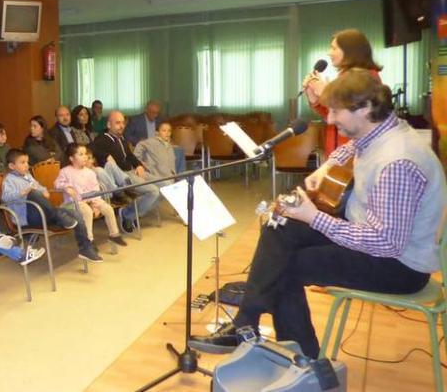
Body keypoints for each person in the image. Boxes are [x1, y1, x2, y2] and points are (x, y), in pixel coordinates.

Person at [190, 69, 447, 358]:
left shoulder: (397, 162)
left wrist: (314, 217)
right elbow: (353, 146)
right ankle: (245, 324)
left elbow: (385, 243)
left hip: (400, 266)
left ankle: (302, 361)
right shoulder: (382, 129)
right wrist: (325, 168)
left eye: (336, 111)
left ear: (364, 108)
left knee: (286, 267)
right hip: (376, 239)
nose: (330, 119)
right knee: (281, 224)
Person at [1, 148, 101, 262]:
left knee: (76, 214)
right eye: (22, 162)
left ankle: (85, 248)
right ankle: (58, 214)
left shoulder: (27, 175)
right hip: (27, 218)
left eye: (27, 162)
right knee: (33, 193)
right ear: (12, 166)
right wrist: (23, 192)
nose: (27, 165)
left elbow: (39, 186)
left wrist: (43, 190)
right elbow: (6, 198)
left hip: (44, 213)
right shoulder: (9, 179)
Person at [303, 28, 382, 156]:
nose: (329, 53)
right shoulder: (344, 77)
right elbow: (333, 115)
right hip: (339, 153)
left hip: (357, 155)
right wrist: (315, 99)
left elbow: (355, 113)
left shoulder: (368, 77)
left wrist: (325, 92)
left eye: (334, 48)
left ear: (350, 51)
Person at [90, 111, 160, 231]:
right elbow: (90, 148)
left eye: (123, 123)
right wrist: (105, 155)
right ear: (108, 125)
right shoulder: (103, 138)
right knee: (154, 191)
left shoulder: (121, 137)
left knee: (165, 185)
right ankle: (128, 215)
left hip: (133, 171)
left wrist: (138, 165)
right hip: (123, 176)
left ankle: (135, 213)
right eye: (117, 123)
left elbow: (130, 156)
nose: (121, 126)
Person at [55, 143, 126, 247]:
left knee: (108, 208)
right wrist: (66, 187)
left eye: (85, 154)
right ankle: (89, 241)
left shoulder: (90, 172)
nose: (85, 157)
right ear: (71, 158)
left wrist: (95, 204)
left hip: (90, 200)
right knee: (87, 212)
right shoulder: (65, 171)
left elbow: (95, 190)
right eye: (81, 154)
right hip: (73, 203)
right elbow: (57, 184)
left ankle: (114, 234)